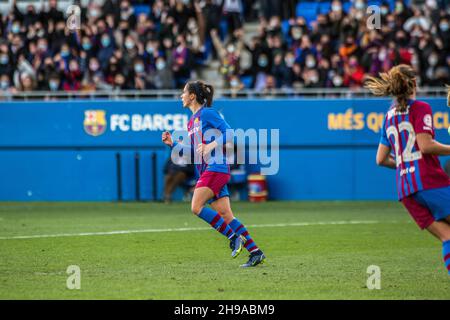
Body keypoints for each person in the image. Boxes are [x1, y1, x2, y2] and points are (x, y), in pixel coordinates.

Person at [162, 80, 266, 268]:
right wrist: (173, 145)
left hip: (215, 168)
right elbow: (195, 152)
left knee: (196, 206)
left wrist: (211, 145)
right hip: (208, 170)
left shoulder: (207, 113)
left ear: (192, 96)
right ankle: (256, 252)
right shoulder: (191, 122)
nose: (181, 96)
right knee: (227, 215)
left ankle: (234, 237)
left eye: (184, 92)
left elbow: (230, 132)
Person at [366, 65, 450, 275]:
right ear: (413, 83)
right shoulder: (420, 107)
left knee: (447, 236)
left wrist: (404, 163)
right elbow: (426, 146)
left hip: (405, 191)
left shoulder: (389, 116)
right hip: (429, 181)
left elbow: (380, 159)